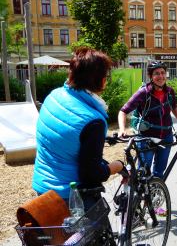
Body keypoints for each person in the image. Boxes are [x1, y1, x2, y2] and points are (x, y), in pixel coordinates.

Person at [32, 47, 124, 211]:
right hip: (72, 198)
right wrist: (116, 166)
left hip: (42, 189)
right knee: (100, 236)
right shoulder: (93, 120)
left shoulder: (53, 96)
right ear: (102, 81)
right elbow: (90, 175)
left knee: (57, 237)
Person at [118, 61, 177, 178]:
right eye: (157, 73)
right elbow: (123, 111)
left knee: (159, 172)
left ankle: (157, 194)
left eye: (163, 73)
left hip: (166, 136)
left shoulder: (169, 92)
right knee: (144, 173)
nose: (161, 76)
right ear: (151, 76)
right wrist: (122, 129)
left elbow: (174, 107)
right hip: (147, 137)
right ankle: (139, 195)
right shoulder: (143, 93)